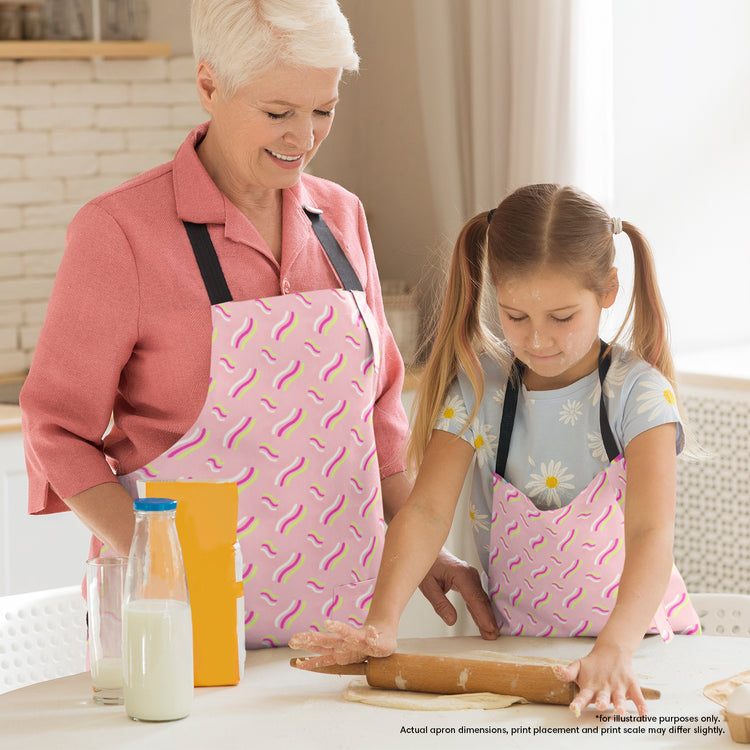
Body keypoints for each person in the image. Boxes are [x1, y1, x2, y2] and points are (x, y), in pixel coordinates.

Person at [20, 0, 495, 649]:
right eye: (278, 113)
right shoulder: (121, 232)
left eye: (323, 110)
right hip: (177, 622)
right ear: (210, 84)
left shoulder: (341, 218)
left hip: (342, 629)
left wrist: (419, 549)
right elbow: (56, 429)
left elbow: (378, 415)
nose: (303, 136)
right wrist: (154, 556)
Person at [290, 183, 701, 714]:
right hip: (524, 657)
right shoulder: (482, 387)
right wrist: (382, 622)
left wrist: (614, 649)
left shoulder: (638, 395)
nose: (537, 341)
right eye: (515, 316)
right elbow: (427, 510)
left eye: (562, 317)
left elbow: (651, 534)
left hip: (638, 655)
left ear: (608, 290)